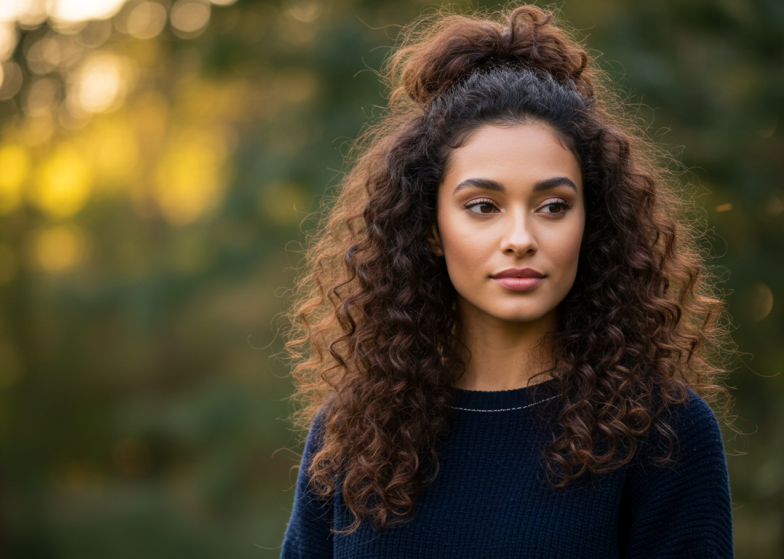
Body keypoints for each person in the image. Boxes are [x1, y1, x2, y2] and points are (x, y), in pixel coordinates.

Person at [280, 5, 736, 558]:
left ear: (592, 223)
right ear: (429, 226)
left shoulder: (665, 432)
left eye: (552, 206)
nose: (520, 236)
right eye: (482, 206)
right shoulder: (353, 434)